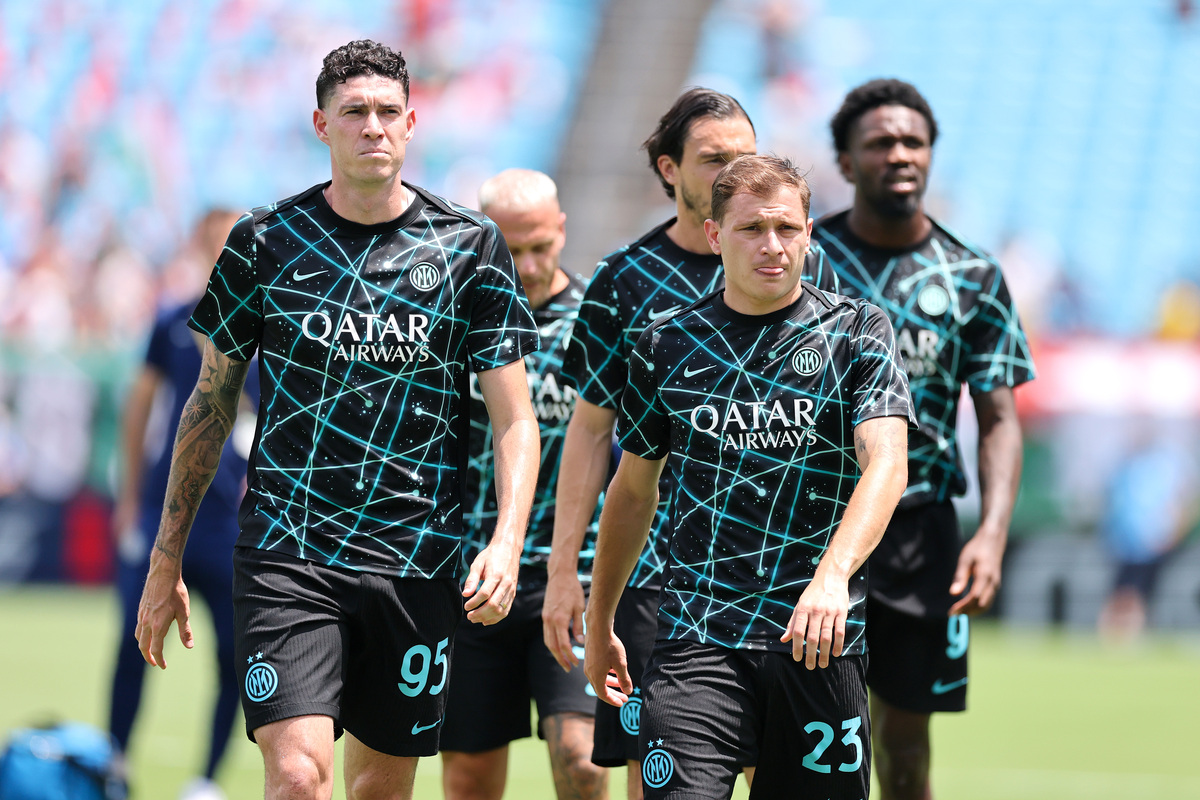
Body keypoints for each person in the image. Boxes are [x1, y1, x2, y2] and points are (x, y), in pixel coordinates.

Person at [134, 40, 542, 800]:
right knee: (298, 777)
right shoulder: (262, 242)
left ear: (413, 123)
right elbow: (209, 400)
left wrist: (507, 542)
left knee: (378, 792)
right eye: (354, 112)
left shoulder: (470, 247)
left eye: (389, 112)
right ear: (321, 125)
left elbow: (515, 417)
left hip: (417, 556)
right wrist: (166, 560)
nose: (373, 126)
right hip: (288, 552)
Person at [583, 154, 914, 800]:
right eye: (753, 229)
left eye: (788, 229)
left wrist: (832, 578)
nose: (773, 246)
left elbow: (889, 461)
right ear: (714, 236)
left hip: (818, 639)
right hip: (696, 643)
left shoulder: (857, 333)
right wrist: (601, 622)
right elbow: (632, 489)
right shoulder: (664, 344)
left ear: (810, 233)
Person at [543, 87, 837, 798]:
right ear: (670, 170)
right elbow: (588, 431)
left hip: (784, 576)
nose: (735, 171)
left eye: (746, 155)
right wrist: (564, 571)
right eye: (714, 159)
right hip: (661, 582)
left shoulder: (806, 269)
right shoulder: (624, 280)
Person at [813, 78, 1036, 800]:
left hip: (922, 536)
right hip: (812, 525)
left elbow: (999, 418)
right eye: (879, 143)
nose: (900, 154)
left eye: (913, 142)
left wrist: (993, 532)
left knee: (904, 746)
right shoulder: (804, 263)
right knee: (803, 738)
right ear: (845, 163)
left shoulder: (972, 275)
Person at [440, 169, 607, 800]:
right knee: (469, 776)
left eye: (543, 245)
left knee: (583, 758)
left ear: (562, 229)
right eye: (513, 251)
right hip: (471, 572)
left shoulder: (601, 320)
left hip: (573, 573)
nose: (531, 266)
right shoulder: (454, 324)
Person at [108, 209, 251, 800]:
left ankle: (207, 779)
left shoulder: (265, 324)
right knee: (134, 638)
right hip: (167, 514)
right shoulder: (171, 322)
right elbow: (139, 406)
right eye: (214, 243)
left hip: (231, 521)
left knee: (237, 654)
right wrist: (130, 500)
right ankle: (112, 760)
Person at [1098, 428, 1199, 641]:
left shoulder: (1165, 467)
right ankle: (1113, 635)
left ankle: (1128, 636)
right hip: (1126, 544)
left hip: (1151, 543)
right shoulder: (1128, 466)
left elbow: (1181, 505)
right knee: (1123, 591)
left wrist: (1172, 533)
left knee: (1138, 593)